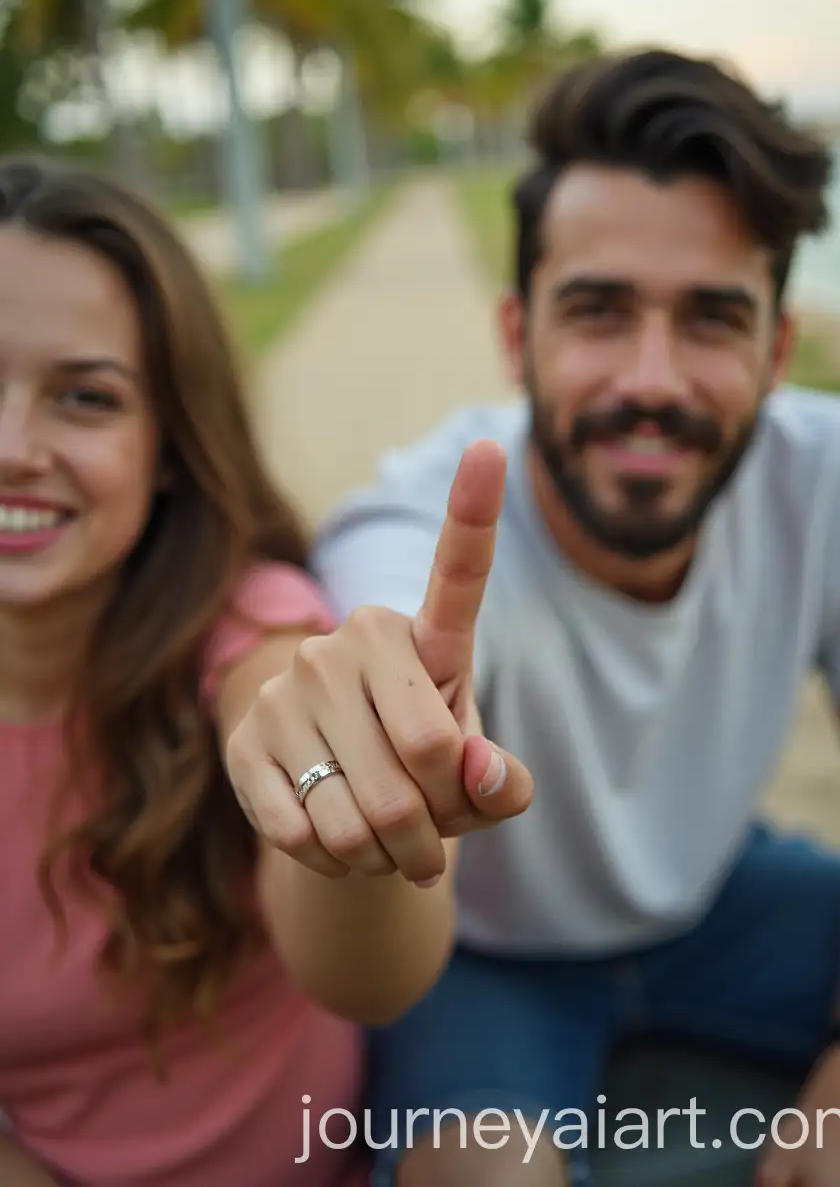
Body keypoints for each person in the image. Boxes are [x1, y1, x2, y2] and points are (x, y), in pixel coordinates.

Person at [232, 49, 840, 1186]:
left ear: (777, 351)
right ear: (516, 336)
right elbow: (378, 636)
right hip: (485, 957)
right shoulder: (414, 526)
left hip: (720, 896)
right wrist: (365, 732)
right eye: (598, 312)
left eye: (711, 318)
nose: (650, 378)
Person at [0, 155, 531, 1187]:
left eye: (84, 397)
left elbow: (371, 979)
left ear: (166, 444)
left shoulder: (249, 627)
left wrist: (354, 796)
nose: (14, 447)